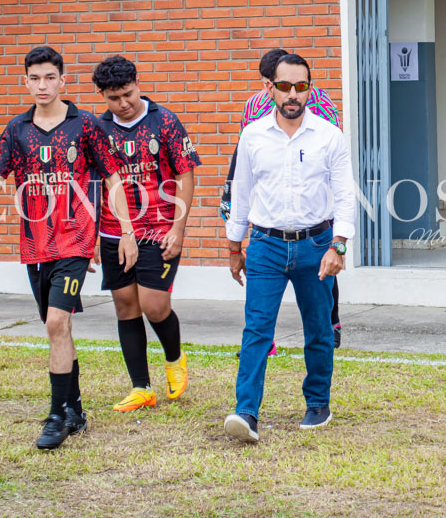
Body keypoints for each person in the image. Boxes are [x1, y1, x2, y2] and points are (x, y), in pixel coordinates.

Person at [0, 46, 138, 450]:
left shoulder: (85, 125)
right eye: (34, 78)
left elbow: (114, 180)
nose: (42, 85)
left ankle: (57, 418)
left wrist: (125, 230)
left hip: (75, 241)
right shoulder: (17, 129)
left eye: (50, 77)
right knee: (58, 328)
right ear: (26, 81)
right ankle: (75, 407)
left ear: (62, 80)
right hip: (35, 246)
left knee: (56, 323)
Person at [223, 53, 355, 443]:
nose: (293, 94)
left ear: (309, 89)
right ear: (270, 88)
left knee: (318, 329)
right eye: (284, 86)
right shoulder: (253, 136)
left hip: (316, 244)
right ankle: (246, 412)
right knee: (257, 330)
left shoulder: (329, 135)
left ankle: (318, 402)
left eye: (301, 87)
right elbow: (241, 193)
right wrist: (234, 248)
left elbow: (346, 196)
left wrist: (339, 246)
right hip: (265, 245)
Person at [92, 55, 201, 412]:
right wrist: (91, 236)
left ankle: (174, 359)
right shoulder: (98, 129)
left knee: (154, 306)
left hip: (159, 228)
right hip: (113, 231)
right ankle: (141, 388)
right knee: (126, 306)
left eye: (127, 94)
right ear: (102, 96)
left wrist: (178, 228)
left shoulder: (164, 121)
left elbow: (186, 174)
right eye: (113, 98)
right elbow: (95, 184)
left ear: (138, 84)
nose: (123, 104)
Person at [220, 48, 344, 351]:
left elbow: (328, 149)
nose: (284, 90)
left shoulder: (318, 101)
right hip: (270, 197)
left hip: (310, 193)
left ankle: (332, 320)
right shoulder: (254, 105)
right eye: (269, 81)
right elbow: (246, 151)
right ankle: (266, 337)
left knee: (322, 263)